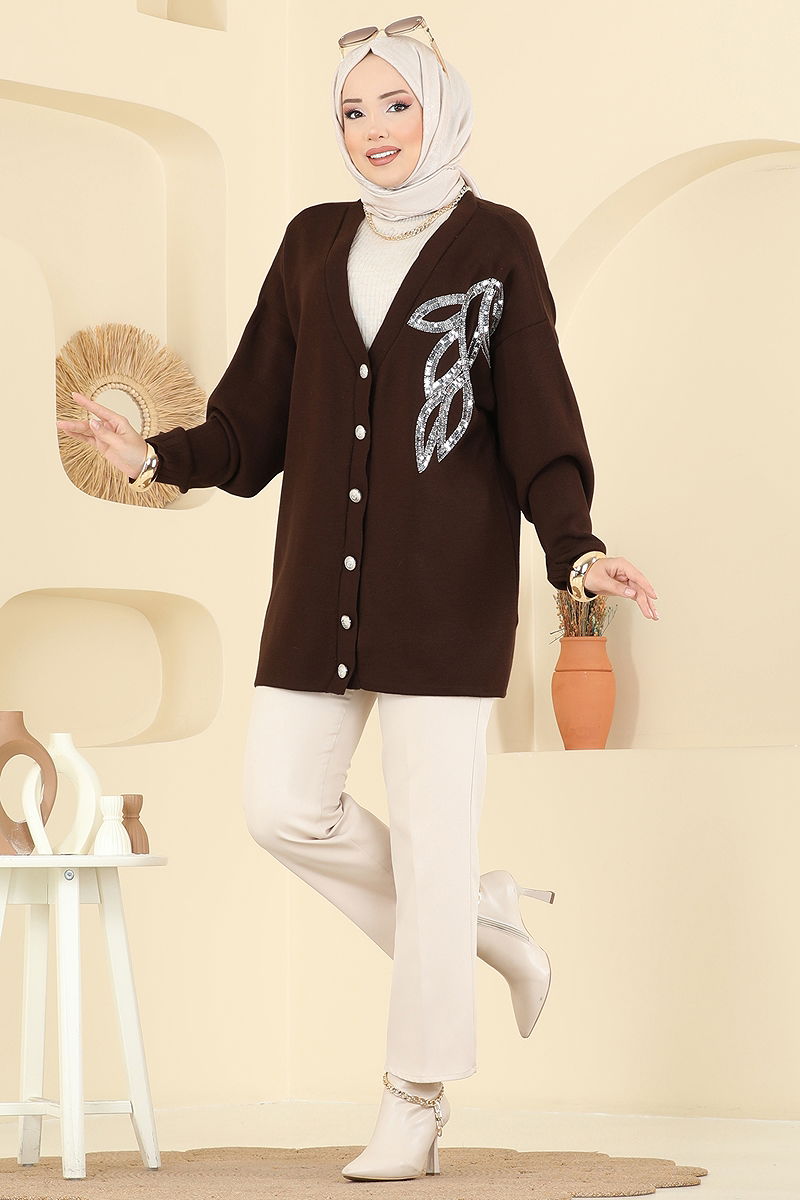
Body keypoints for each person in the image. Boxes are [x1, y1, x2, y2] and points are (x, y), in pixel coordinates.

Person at [56, 25, 659, 1184]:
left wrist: (573, 550)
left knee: (432, 844)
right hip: (316, 596)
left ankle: (413, 1101)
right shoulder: (311, 242)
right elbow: (249, 426)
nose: (373, 130)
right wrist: (155, 456)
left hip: (445, 600)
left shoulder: (494, 243)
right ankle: (482, 923)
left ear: (438, 108)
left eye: (395, 105)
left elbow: (537, 415)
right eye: (351, 111)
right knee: (280, 806)